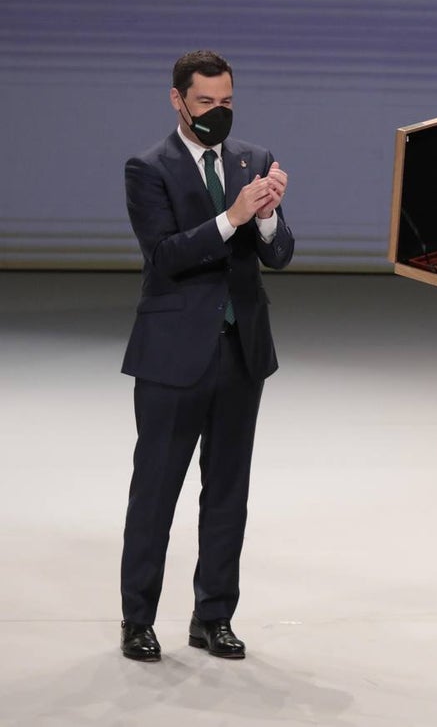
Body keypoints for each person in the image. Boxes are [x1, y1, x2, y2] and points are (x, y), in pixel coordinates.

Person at [118, 50, 294, 662]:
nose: (218, 112)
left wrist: (265, 219)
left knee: (227, 493)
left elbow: (279, 254)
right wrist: (232, 216)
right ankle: (138, 619)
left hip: (241, 352)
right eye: (204, 102)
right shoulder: (148, 168)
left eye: (226, 102)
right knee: (155, 491)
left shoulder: (254, 159)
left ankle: (213, 616)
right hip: (173, 356)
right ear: (177, 100)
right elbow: (164, 255)